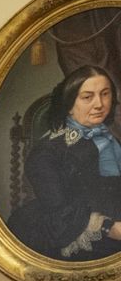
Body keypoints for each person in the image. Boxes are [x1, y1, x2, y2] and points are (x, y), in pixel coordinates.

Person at [7, 64, 121, 261]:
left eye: (105, 94)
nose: (99, 104)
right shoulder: (48, 151)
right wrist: (107, 227)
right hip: (65, 231)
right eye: (87, 97)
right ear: (69, 104)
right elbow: (59, 209)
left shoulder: (110, 141)